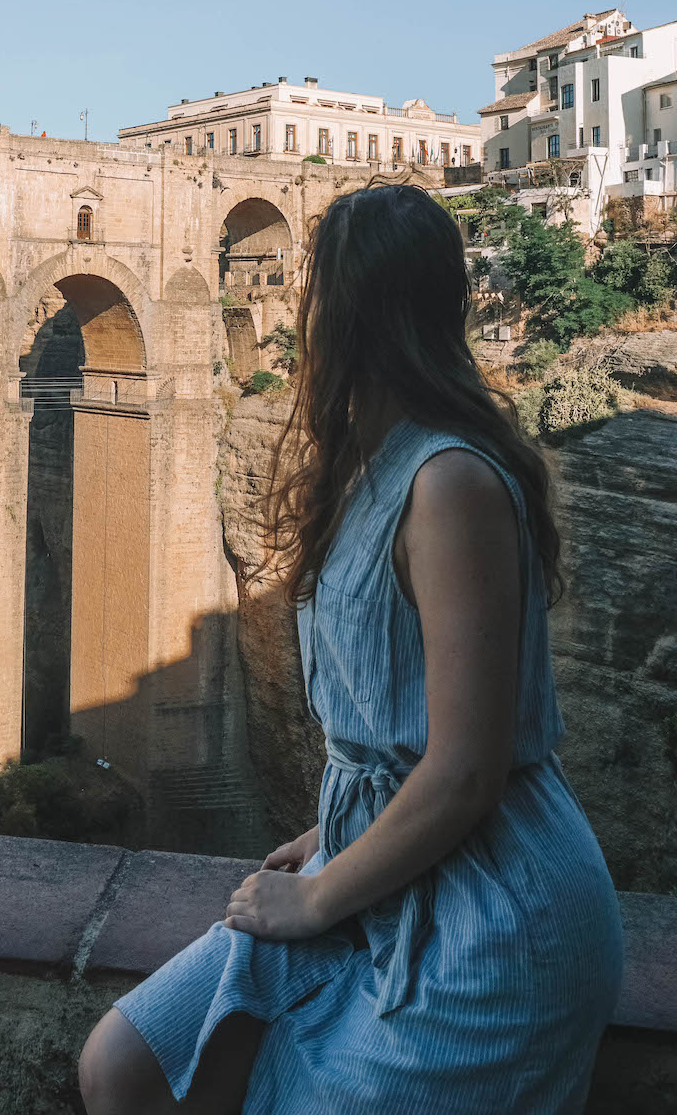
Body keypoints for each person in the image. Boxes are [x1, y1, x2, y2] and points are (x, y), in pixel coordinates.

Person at [79, 181, 623, 1115]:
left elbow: (466, 770)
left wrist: (320, 899)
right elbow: (397, 732)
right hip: (377, 858)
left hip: (489, 915)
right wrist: (329, 832)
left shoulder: (451, 484)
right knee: (124, 1066)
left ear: (343, 312)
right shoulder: (372, 465)